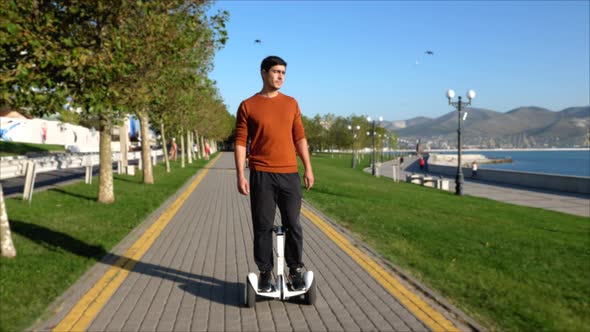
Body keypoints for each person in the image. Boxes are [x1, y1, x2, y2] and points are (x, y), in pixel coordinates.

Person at [234, 55, 314, 293]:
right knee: (262, 225)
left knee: (293, 224)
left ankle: (296, 270)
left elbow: (299, 137)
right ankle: (265, 272)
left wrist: (307, 167)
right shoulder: (248, 105)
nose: (280, 76)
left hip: (289, 174)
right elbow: (240, 142)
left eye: (284, 73)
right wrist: (240, 174)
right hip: (261, 175)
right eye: (276, 72)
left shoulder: (291, 103)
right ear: (263, 72)